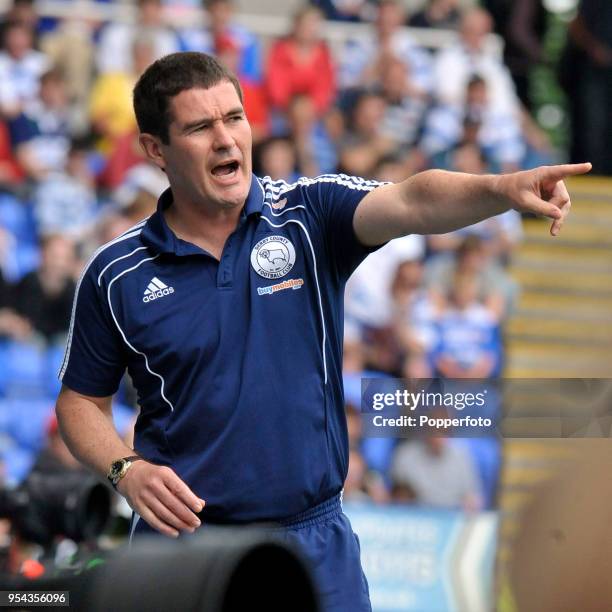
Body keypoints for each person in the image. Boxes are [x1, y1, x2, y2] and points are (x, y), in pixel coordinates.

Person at [54, 52, 589, 612]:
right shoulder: (116, 273)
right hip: (185, 550)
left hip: (314, 545)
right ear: (155, 149)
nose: (226, 140)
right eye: (199, 127)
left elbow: (411, 199)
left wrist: (500, 187)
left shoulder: (309, 215)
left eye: (235, 118)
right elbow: (80, 403)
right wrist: (125, 469)